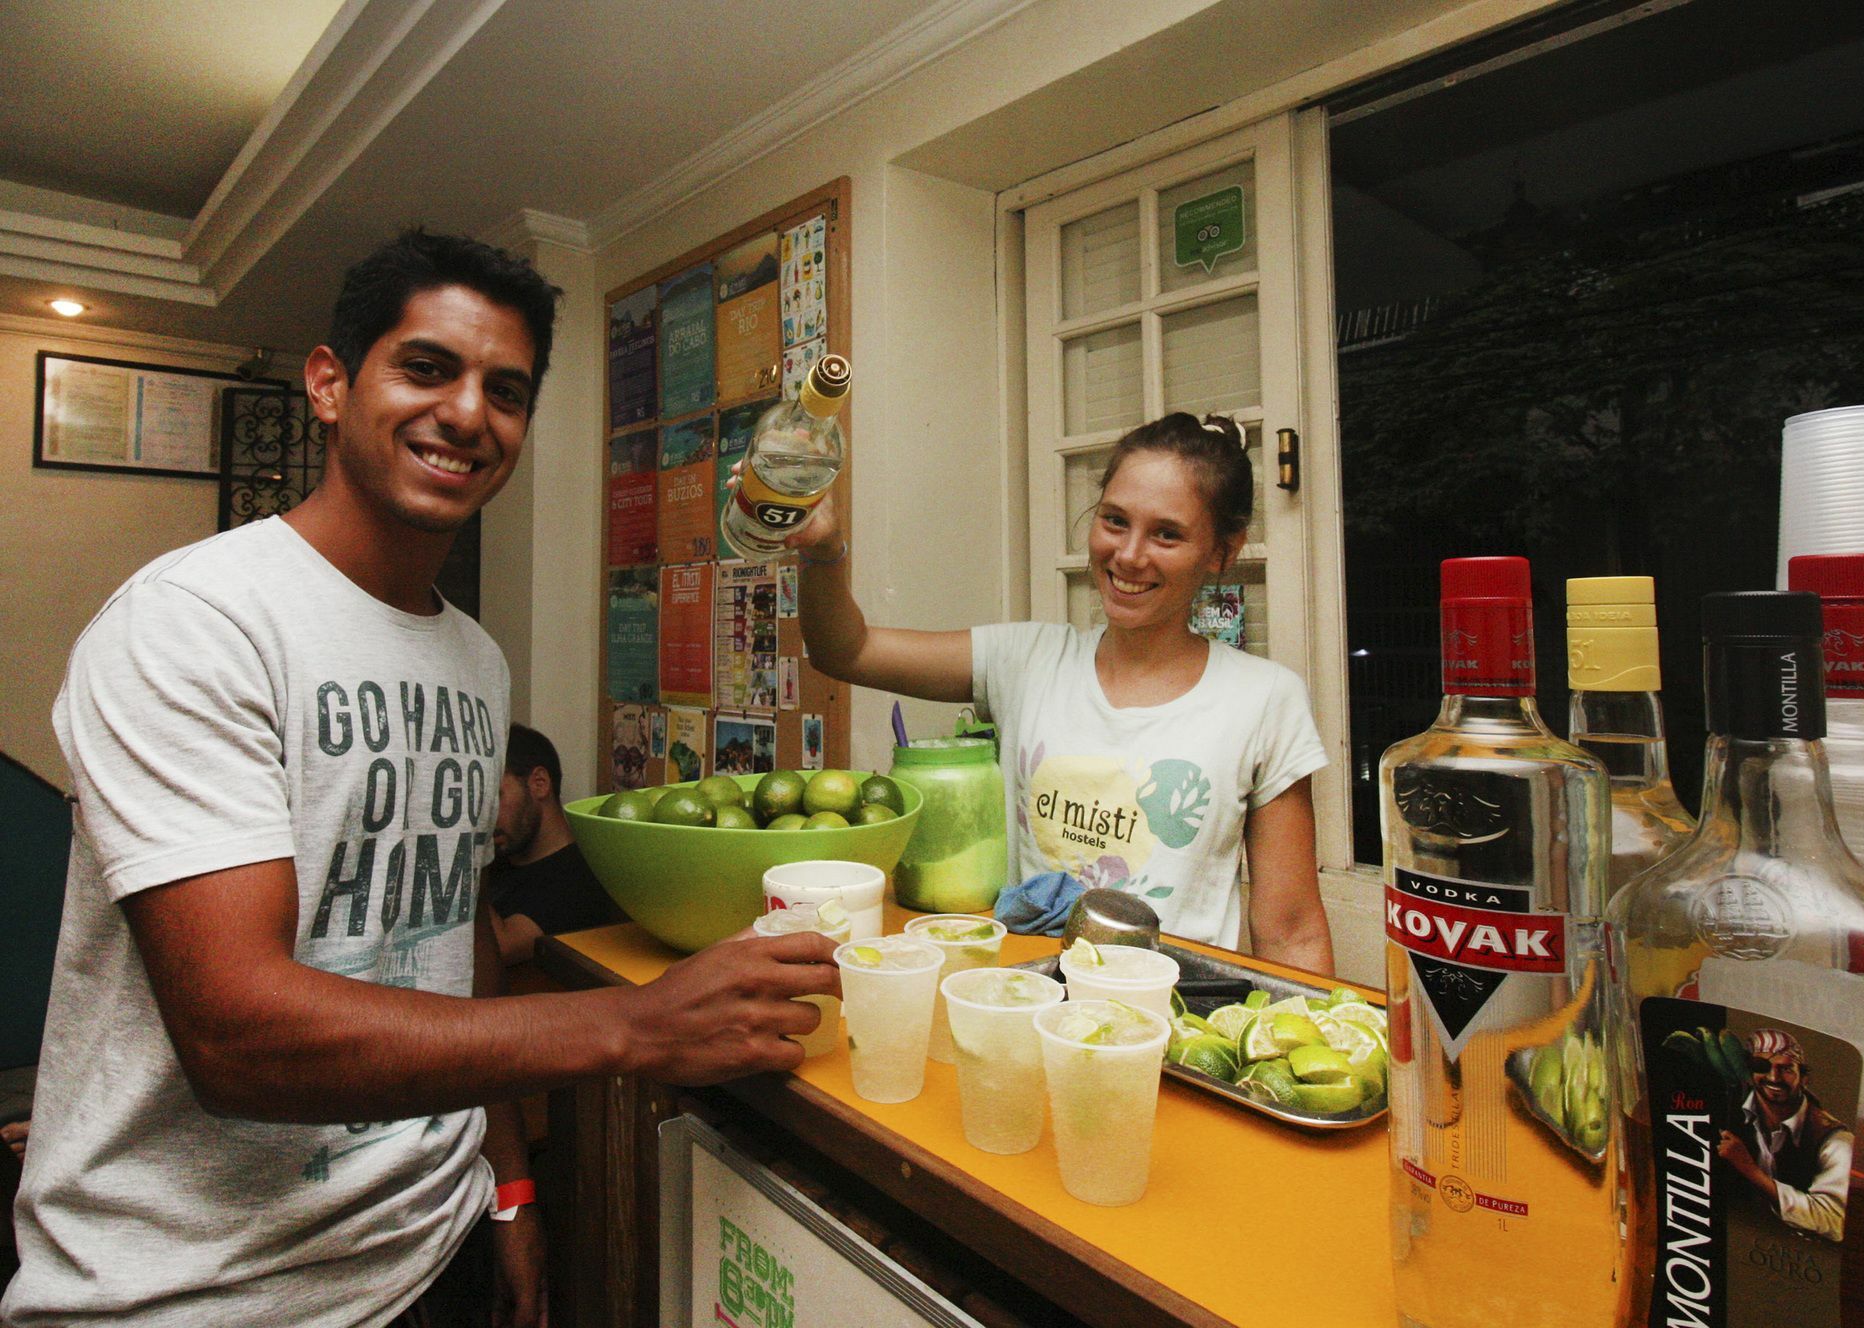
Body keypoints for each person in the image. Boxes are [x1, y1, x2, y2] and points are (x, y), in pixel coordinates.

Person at [6, 229, 837, 1328]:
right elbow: (235, 1033)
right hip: (196, 1291)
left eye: (505, 389)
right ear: (328, 384)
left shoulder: (474, 659)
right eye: (426, 367)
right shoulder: (195, 622)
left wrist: (509, 1188)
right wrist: (632, 1024)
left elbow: (458, 934)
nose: (466, 414)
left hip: (431, 1247)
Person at [779, 411, 1335, 973]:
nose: (1130, 555)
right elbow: (844, 650)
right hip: (1027, 1006)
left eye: (1167, 533)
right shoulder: (1026, 660)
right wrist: (822, 549)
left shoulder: (1265, 700)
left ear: (1222, 552)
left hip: (1170, 1021)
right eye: (1115, 521)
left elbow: (1291, 935)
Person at [490, 723, 626, 964]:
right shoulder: (500, 855)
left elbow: (501, 947)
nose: (485, 814)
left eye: (495, 796)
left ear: (539, 783)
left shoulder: (579, 877)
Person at [1716, 1027, 1852, 1242]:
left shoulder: (1834, 1140)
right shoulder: (1725, 1114)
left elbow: (1833, 1220)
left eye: (1786, 1069)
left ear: (1804, 1077)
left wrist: (1751, 1170)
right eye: (1762, 1066)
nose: (1773, 1077)